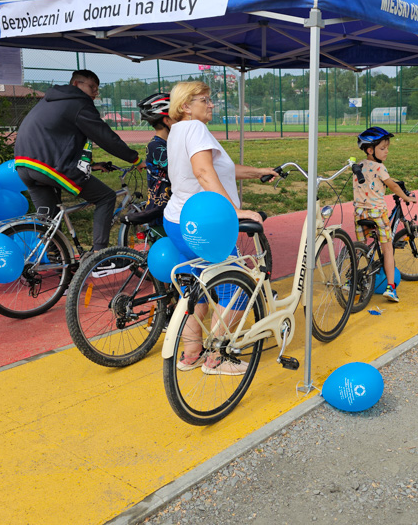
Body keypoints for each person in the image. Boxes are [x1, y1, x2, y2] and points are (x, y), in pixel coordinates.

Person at [163, 81, 278, 375]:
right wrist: (234, 211)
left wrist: (258, 171)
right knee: (237, 288)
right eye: (205, 100)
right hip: (206, 224)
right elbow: (203, 173)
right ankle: (218, 356)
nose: (211, 104)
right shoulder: (196, 129)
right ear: (186, 105)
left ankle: (191, 353)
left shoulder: (177, 130)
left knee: (196, 288)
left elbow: (216, 168)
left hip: (178, 219)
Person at [15, 70, 145, 256]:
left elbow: (62, 138)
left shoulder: (50, 100)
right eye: (92, 87)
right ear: (76, 84)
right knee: (106, 197)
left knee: (49, 218)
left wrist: (91, 165)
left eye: (97, 89)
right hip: (48, 165)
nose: (95, 93)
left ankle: (58, 261)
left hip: (24, 164)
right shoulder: (79, 103)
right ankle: (100, 257)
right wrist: (135, 159)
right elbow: (104, 136)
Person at [352, 126, 417, 303]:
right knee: (387, 248)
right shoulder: (380, 168)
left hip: (359, 212)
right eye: (382, 148)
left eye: (387, 147)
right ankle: (390, 288)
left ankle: (351, 280)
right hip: (377, 213)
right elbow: (393, 186)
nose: (386, 151)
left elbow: (375, 182)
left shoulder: (359, 165)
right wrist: (407, 197)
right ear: (370, 150)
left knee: (360, 246)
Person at [137, 92, 173, 223]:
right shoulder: (156, 146)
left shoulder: (169, 143)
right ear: (167, 121)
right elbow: (177, 171)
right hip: (161, 212)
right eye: (176, 117)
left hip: (172, 209)